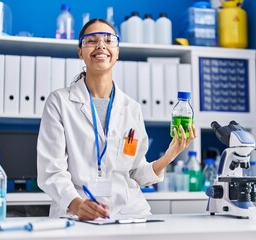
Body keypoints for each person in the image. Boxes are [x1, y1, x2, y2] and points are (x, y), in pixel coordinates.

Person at [37, 18, 196, 220]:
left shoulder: (132, 108)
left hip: (129, 214)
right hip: (77, 214)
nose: (101, 45)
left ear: (117, 51)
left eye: (108, 40)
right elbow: (51, 171)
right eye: (91, 40)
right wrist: (77, 205)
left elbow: (136, 173)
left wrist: (170, 155)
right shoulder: (60, 102)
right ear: (80, 52)